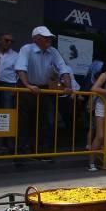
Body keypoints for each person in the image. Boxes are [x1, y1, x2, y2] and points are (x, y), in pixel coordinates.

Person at [15, 26, 72, 154]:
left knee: (44, 121)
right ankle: (22, 151)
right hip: (26, 88)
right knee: (24, 121)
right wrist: (28, 85)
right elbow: (20, 68)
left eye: (49, 37)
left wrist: (68, 86)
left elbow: (63, 69)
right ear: (36, 39)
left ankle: (41, 150)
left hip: (43, 89)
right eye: (45, 37)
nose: (49, 40)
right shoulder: (27, 49)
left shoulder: (53, 51)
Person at [0, 33, 18, 109]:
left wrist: (15, 87)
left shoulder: (16, 55)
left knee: (7, 107)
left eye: (11, 41)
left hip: (9, 85)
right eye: (6, 40)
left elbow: (18, 73)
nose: (9, 43)